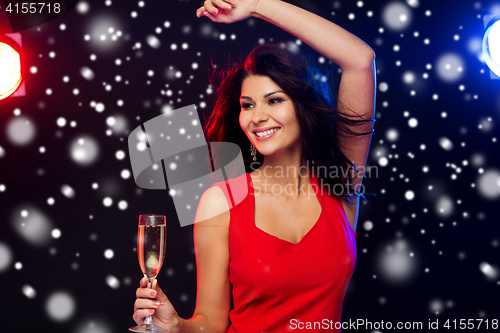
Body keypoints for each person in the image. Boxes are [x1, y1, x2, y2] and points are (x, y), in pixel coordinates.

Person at [133, 0, 376, 331]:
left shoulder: (339, 183)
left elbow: (360, 60)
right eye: (248, 105)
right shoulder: (221, 201)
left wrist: (259, 5)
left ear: (304, 108)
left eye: (274, 100)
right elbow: (211, 322)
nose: (257, 117)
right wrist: (175, 326)